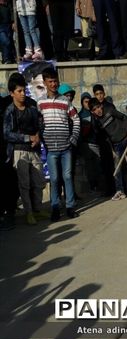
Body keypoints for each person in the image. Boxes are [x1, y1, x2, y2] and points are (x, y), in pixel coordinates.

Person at [3, 73, 47, 225]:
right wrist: (28, 138)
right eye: (19, 91)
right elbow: (7, 134)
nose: (22, 94)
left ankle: (37, 209)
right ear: (12, 93)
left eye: (23, 90)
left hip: (34, 150)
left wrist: (37, 136)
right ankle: (29, 213)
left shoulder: (32, 106)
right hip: (18, 151)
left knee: (39, 182)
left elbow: (40, 124)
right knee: (24, 185)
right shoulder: (10, 111)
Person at [37, 67, 80, 221]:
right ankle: (55, 207)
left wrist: (73, 138)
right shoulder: (40, 103)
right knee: (54, 179)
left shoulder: (65, 101)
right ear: (45, 83)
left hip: (66, 148)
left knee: (67, 177)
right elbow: (38, 123)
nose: (54, 84)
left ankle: (70, 207)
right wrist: (42, 138)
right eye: (50, 82)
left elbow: (76, 119)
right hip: (51, 150)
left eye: (55, 81)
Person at [89, 97, 127, 200]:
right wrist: (112, 150)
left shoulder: (110, 110)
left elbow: (124, 117)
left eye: (98, 107)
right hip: (116, 145)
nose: (98, 111)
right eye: (94, 110)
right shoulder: (97, 122)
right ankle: (120, 191)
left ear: (101, 105)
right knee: (117, 169)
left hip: (126, 139)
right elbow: (104, 137)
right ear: (92, 112)